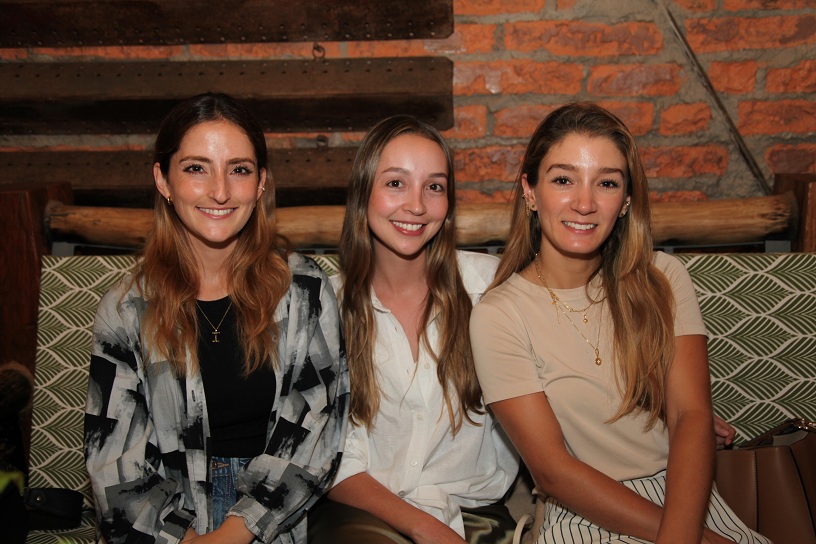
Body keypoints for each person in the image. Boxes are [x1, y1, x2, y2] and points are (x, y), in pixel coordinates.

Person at [470, 103, 769, 544]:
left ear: (626, 201)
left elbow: (691, 416)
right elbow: (555, 473)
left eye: (606, 182)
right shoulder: (499, 314)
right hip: (582, 509)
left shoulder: (662, 278)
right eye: (563, 180)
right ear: (530, 191)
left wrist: (686, 533)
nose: (585, 203)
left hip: (685, 497)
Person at [84, 93, 349, 544]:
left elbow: (317, 433)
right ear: (163, 180)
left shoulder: (304, 291)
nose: (221, 191)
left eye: (239, 170)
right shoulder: (127, 308)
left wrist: (235, 532)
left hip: (274, 521)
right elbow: (113, 461)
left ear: (261, 183)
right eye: (196, 168)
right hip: (161, 527)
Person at [307, 115, 520, 544]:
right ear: (363, 193)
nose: (417, 205)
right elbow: (327, 457)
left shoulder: (489, 288)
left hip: (476, 513)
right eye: (396, 183)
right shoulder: (325, 307)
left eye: (434, 186)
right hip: (360, 514)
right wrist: (426, 529)